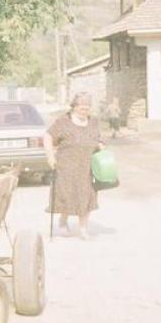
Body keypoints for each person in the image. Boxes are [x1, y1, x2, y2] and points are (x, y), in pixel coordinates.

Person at [44, 92, 104, 239]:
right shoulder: (63, 121)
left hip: (87, 167)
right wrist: (50, 156)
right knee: (67, 195)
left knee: (86, 196)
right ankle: (63, 222)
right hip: (66, 166)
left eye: (88, 108)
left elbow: (99, 139)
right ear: (74, 107)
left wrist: (101, 146)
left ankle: (83, 229)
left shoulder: (94, 121)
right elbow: (48, 136)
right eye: (82, 108)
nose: (85, 111)